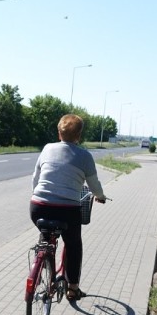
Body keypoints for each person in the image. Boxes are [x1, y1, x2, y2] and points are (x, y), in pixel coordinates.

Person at [30, 114, 106, 301]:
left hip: (38, 207)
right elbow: (94, 184)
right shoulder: (84, 156)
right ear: (79, 135)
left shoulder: (47, 149)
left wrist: (39, 195)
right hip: (67, 211)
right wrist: (100, 196)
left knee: (46, 234)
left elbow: (35, 178)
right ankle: (73, 289)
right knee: (73, 244)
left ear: (59, 133)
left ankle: (41, 263)